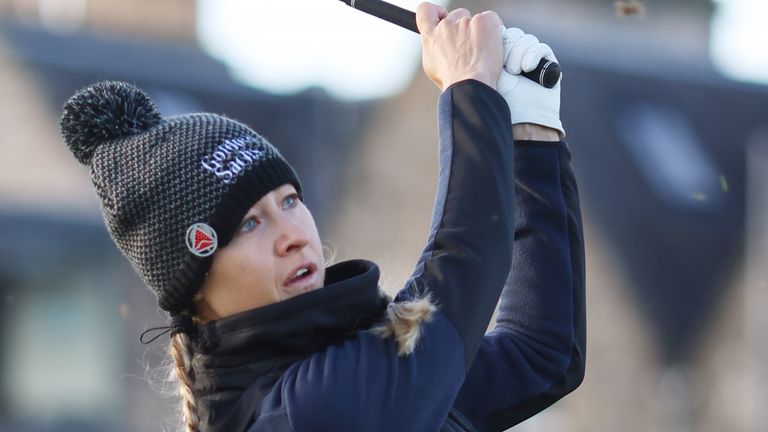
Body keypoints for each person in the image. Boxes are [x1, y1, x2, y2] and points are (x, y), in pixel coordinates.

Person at [60, 2, 585, 431]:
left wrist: (529, 132)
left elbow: (540, 356)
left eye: (289, 201)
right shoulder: (306, 413)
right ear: (194, 286)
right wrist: (470, 91)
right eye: (247, 225)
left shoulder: (347, 380)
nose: (291, 234)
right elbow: (462, 275)